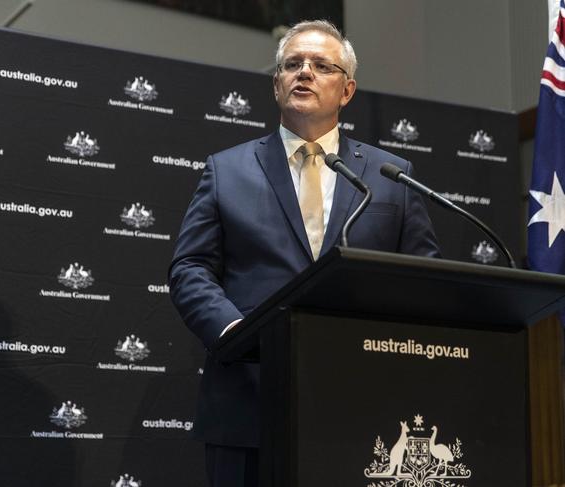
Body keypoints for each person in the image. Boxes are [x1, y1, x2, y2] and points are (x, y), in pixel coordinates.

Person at [168, 20, 440, 487]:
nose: (304, 73)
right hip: (250, 403)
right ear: (277, 83)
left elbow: (424, 277)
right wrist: (236, 331)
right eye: (292, 64)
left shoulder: (390, 174)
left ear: (347, 90)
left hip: (363, 407)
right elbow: (190, 266)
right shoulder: (226, 170)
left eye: (320, 65)